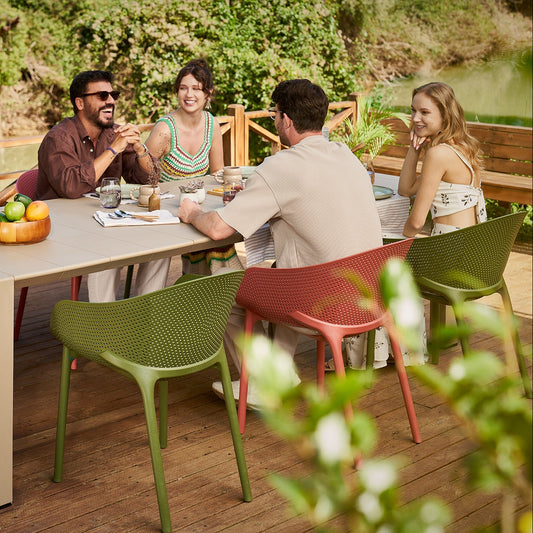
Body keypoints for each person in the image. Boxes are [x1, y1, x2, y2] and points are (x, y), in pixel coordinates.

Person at [178, 78, 382, 406]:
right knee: (290, 268)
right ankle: (280, 368)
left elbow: (217, 229)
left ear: (286, 120)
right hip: (369, 295)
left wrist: (191, 212)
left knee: (225, 291)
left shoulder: (280, 166)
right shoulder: (345, 155)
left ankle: (264, 382)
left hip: (318, 302)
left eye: (275, 114)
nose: (274, 121)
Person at [36, 70, 170, 302]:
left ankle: (145, 315)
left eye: (112, 94)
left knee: (162, 246)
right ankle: (104, 327)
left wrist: (140, 150)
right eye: (102, 95)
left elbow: (150, 179)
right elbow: (71, 187)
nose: (111, 101)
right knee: (107, 250)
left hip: (106, 220)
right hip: (61, 230)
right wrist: (113, 150)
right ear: (80, 102)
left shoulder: (113, 133)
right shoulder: (58, 138)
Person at [144, 58, 242, 274]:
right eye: (183, 88)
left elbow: (217, 173)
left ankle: (217, 293)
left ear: (208, 93)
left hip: (198, 205)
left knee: (220, 234)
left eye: (196, 89)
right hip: (168, 210)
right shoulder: (164, 129)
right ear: (176, 92)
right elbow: (143, 173)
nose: (189, 95)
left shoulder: (212, 124)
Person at [398, 82, 486, 236]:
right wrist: (414, 148)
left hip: (450, 248)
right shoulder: (461, 148)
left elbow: (416, 223)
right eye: (413, 110)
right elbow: (406, 190)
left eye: (424, 112)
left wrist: (396, 244)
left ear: (445, 115)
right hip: (472, 245)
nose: (415, 118)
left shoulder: (438, 154)